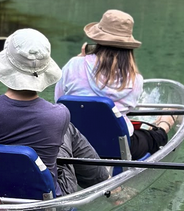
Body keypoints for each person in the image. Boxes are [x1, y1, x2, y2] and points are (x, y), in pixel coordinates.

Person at [0, 28, 109, 194]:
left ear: (6, 67)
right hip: (47, 202)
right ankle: (106, 184)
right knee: (68, 130)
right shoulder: (59, 114)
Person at [54, 9, 175, 159]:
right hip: (117, 147)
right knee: (154, 138)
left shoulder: (73, 65)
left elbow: (59, 100)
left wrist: (79, 60)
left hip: (74, 143)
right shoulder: (135, 79)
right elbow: (130, 108)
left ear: (97, 40)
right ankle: (165, 122)